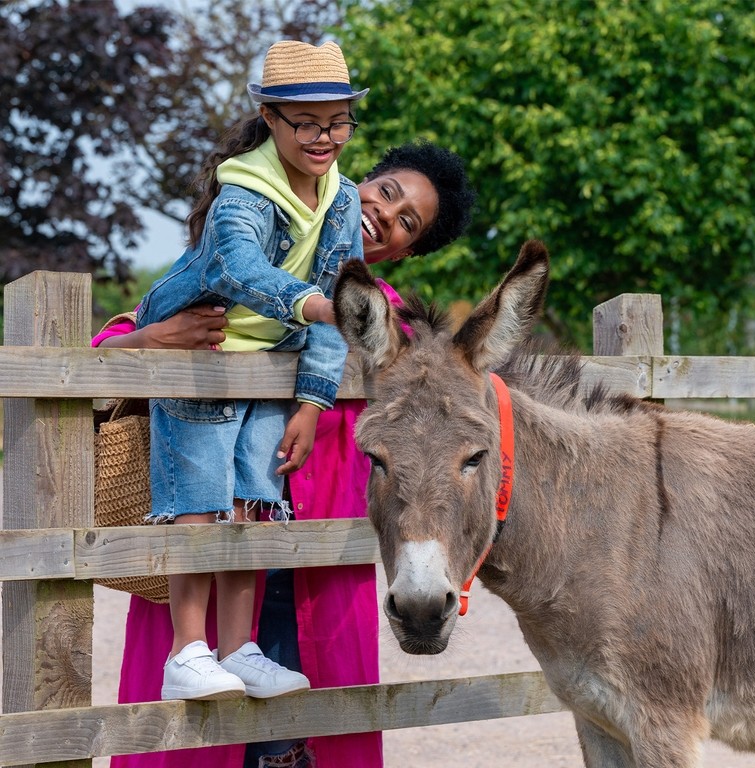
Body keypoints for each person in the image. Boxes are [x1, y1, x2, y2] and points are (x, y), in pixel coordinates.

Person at [99, 138, 476, 768]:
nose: (386, 216)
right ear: (357, 183)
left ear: (405, 253)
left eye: (408, 222)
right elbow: (92, 361)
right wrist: (155, 340)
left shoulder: (391, 331)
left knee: (303, 743)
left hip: (315, 576)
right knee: (195, 740)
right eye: (387, 193)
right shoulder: (229, 268)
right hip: (206, 558)